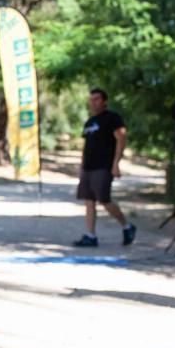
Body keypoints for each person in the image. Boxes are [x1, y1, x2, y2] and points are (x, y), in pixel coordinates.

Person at [73, 88, 136, 247]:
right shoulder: (89, 122)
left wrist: (116, 163)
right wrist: (81, 166)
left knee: (104, 199)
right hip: (88, 167)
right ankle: (91, 235)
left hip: (103, 166)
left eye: (96, 99)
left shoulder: (112, 118)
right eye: (91, 99)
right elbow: (87, 146)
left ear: (104, 101)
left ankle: (127, 226)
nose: (93, 102)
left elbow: (121, 138)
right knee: (89, 200)